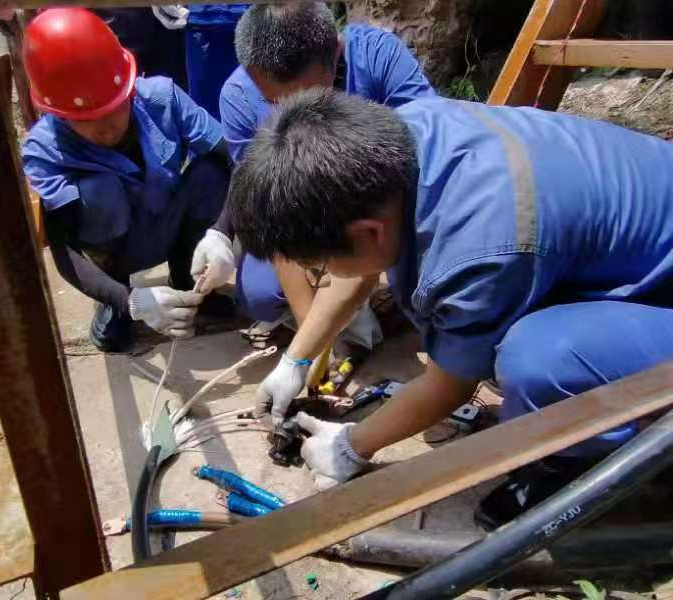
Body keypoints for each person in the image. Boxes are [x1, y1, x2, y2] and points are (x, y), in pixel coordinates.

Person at [228, 88, 673, 529]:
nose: (325, 273)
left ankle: (573, 464)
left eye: (322, 264)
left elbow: (451, 385)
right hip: (638, 254)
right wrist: (296, 359)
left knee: (535, 359)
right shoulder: (404, 137)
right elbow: (360, 266)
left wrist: (351, 445)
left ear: (369, 232)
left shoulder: (479, 248)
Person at [191, 2, 436, 388]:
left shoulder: (378, 57)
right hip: (304, 217)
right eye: (276, 102)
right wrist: (311, 348)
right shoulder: (240, 96)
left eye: (311, 94)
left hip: (382, 209)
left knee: (420, 271)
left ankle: (396, 299)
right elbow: (273, 212)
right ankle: (344, 313)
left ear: (335, 51)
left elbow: (426, 157)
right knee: (259, 294)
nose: (298, 117)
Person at [21, 8, 233, 352]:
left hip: (169, 222)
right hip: (114, 253)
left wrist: (222, 232)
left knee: (211, 171)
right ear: (56, 114)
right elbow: (63, 250)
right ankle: (115, 303)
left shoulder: (163, 97)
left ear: (131, 88)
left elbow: (235, 159)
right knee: (99, 191)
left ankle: (189, 278)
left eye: (113, 108)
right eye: (85, 119)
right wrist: (127, 299)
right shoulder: (45, 150)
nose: (105, 127)